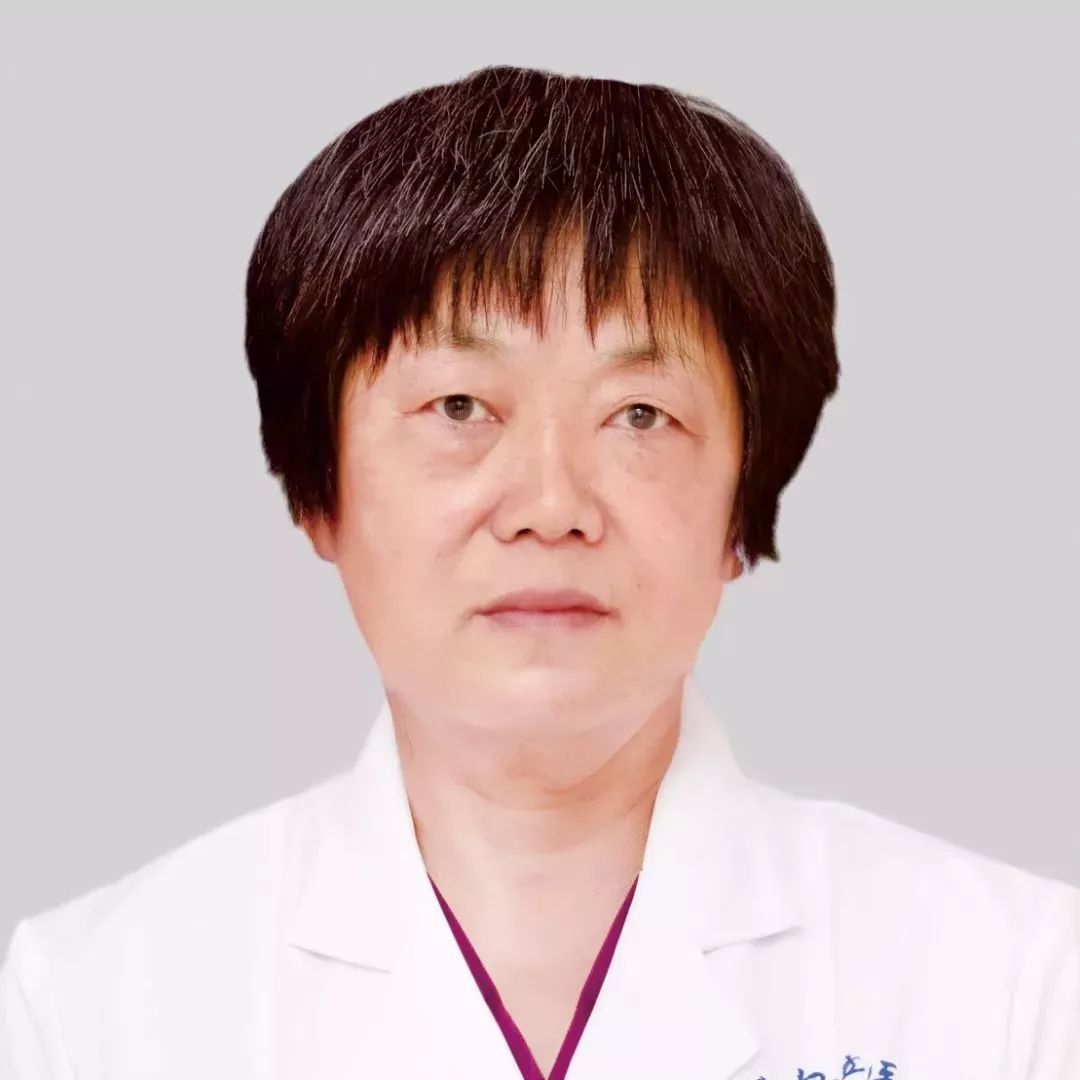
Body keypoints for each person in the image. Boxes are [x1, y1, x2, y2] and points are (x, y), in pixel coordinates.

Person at [1, 63, 1076, 1080]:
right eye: (459, 406)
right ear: (318, 491)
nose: (552, 507)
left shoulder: (1014, 984)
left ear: (742, 506)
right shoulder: (93, 1002)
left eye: (640, 414)